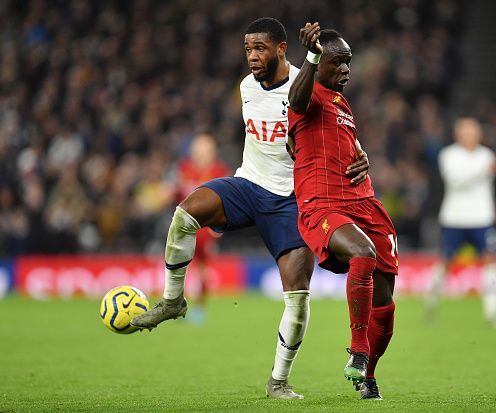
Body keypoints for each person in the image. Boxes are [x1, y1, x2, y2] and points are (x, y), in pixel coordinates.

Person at [131, 17, 369, 400]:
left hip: (293, 200)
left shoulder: (306, 84)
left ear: (280, 49)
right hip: (249, 184)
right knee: (186, 212)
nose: (252, 57)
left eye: (259, 49)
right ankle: (173, 301)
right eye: (247, 50)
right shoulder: (245, 87)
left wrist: (361, 153)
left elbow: (339, 124)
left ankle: (278, 380)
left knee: (297, 294)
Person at [287, 23, 397, 400]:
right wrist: (312, 57)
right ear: (320, 64)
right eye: (338, 62)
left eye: (349, 62)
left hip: (364, 203)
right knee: (362, 254)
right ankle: (358, 348)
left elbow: (344, 145)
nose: (347, 69)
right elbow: (297, 103)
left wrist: (362, 157)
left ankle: (368, 375)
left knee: (385, 303)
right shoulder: (308, 93)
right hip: (323, 204)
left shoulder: (340, 103)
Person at [425, 116, 496, 328]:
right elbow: (456, 181)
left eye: (474, 131)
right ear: (458, 134)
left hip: (481, 219)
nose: (470, 135)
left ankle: (492, 313)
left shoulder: (487, 155)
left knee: (490, 261)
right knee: (446, 263)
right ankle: (431, 304)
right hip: (455, 218)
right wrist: (483, 170)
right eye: (466, 131)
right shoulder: (449, 155)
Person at [175, 133, 229, 316]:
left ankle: (199, 308)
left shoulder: (219, 171)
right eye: (199, 147)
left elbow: (226, 200)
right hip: (184, 225)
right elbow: (178, 194)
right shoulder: (184, 168)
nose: (202, 152)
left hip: (205, 228)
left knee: (201, 269)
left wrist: (219, 225)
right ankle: (178, 305)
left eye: (206, 148)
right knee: (179, 266)